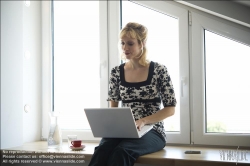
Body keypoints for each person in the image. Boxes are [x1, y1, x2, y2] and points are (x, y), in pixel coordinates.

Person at [88, 22, 177, 166]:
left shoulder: (159, 70)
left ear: (142, 43)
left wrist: (143, 120)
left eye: (130, 43)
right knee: (102, 149)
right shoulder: (116, 72)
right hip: (123, 131)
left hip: (152, 131)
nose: (124, 48)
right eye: (122, 43)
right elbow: (114, 110)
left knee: (122, 151)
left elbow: (170, 109)